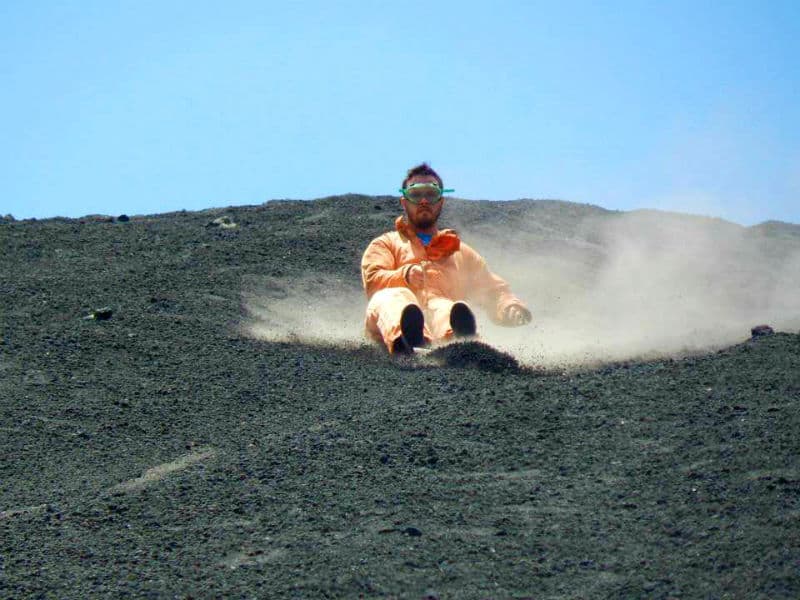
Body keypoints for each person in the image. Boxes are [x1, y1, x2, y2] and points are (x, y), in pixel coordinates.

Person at [361, 162, 532, 354]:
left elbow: (491, 288)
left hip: (437, 328)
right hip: (386, 327)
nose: (424, 201)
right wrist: (405, 275)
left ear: (440, 202)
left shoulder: (460, 252)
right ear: (404, 202)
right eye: (416, 195)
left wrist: (509, 306)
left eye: (431, 195)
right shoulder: (385, 244)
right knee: (394, 296)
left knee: (447, 307)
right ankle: (406, 341)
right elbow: (373, 281)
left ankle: (459, 344)